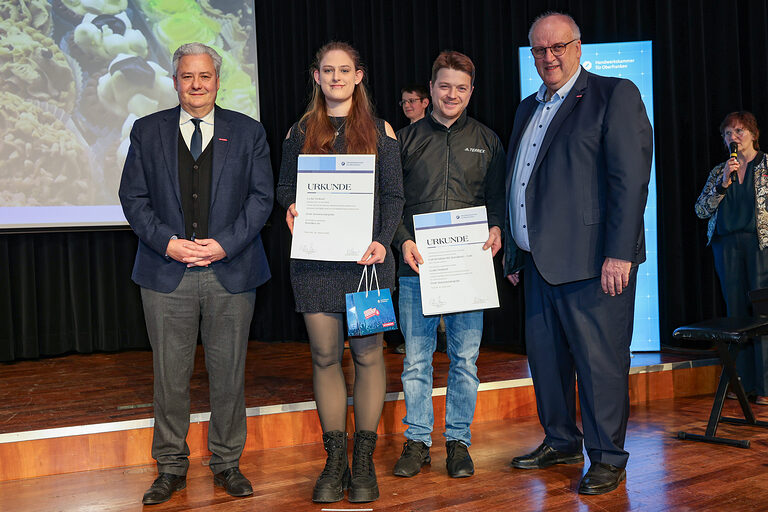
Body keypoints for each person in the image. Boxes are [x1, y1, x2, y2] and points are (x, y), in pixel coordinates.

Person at [503, 12, 652, 495]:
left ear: (578, 47)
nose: (548, 57)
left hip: (593, 264)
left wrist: (620, 253)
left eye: (557, 47)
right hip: (538, 264)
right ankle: (562, 439)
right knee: (547, 363)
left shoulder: (614, 95)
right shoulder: (528, 107)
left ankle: (608, 456)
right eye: (539, 50)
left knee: (599, 365)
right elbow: (521, 183)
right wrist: (515, 251)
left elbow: (628, 183)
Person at [118, 42, 274, 505]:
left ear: (218, 81)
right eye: (187, 77)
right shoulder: (147, 131)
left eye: (205, 76)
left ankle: (227, 463)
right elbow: (134, 198)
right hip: (167, 271)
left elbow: (261, 199)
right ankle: (169, 468)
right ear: (175, 81)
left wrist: (224, 244)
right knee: (169, 376)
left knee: (229, 374)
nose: (196, 85)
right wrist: (168, 242)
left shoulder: (248, 133)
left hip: (231, 270)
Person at [276, 41, 404, 504]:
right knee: (325, 358)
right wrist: (289, 204)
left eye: (344, 70)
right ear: (316, 77)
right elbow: (284, 186)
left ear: (359, 76)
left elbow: (393, 196)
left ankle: (364, 462)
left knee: (369, 357)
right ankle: (334, 462)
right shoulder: (298, 132)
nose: (335, 77)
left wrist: (382, 239)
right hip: (314, 264)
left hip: (367, 264)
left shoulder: (382, 131)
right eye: (327, 70)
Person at [392, 51, 506, 480]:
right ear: (431, 88)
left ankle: (458, 442)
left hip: (468, 269)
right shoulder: (403, 140)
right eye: (444, 86)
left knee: (465, 361)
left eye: (461, 87)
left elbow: (498, 199)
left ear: (471, 91)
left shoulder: (488, 140)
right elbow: (391, 204)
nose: (452, 94)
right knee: (416, 361)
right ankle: (418, 441)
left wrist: (496, 228)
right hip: (415, 268)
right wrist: (402, 241)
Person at [695, 111, 768, 403]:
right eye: (728, 133)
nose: (733, 137)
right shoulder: (719, 171)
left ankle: (764, 387)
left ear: (753, 134)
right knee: (735, 316)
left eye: (739, 131)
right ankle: (741, 385)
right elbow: (701, 210)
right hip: (726, 247)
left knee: (761, 316)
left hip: (759, 246)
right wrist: (722, 183)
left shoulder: (765, 166)